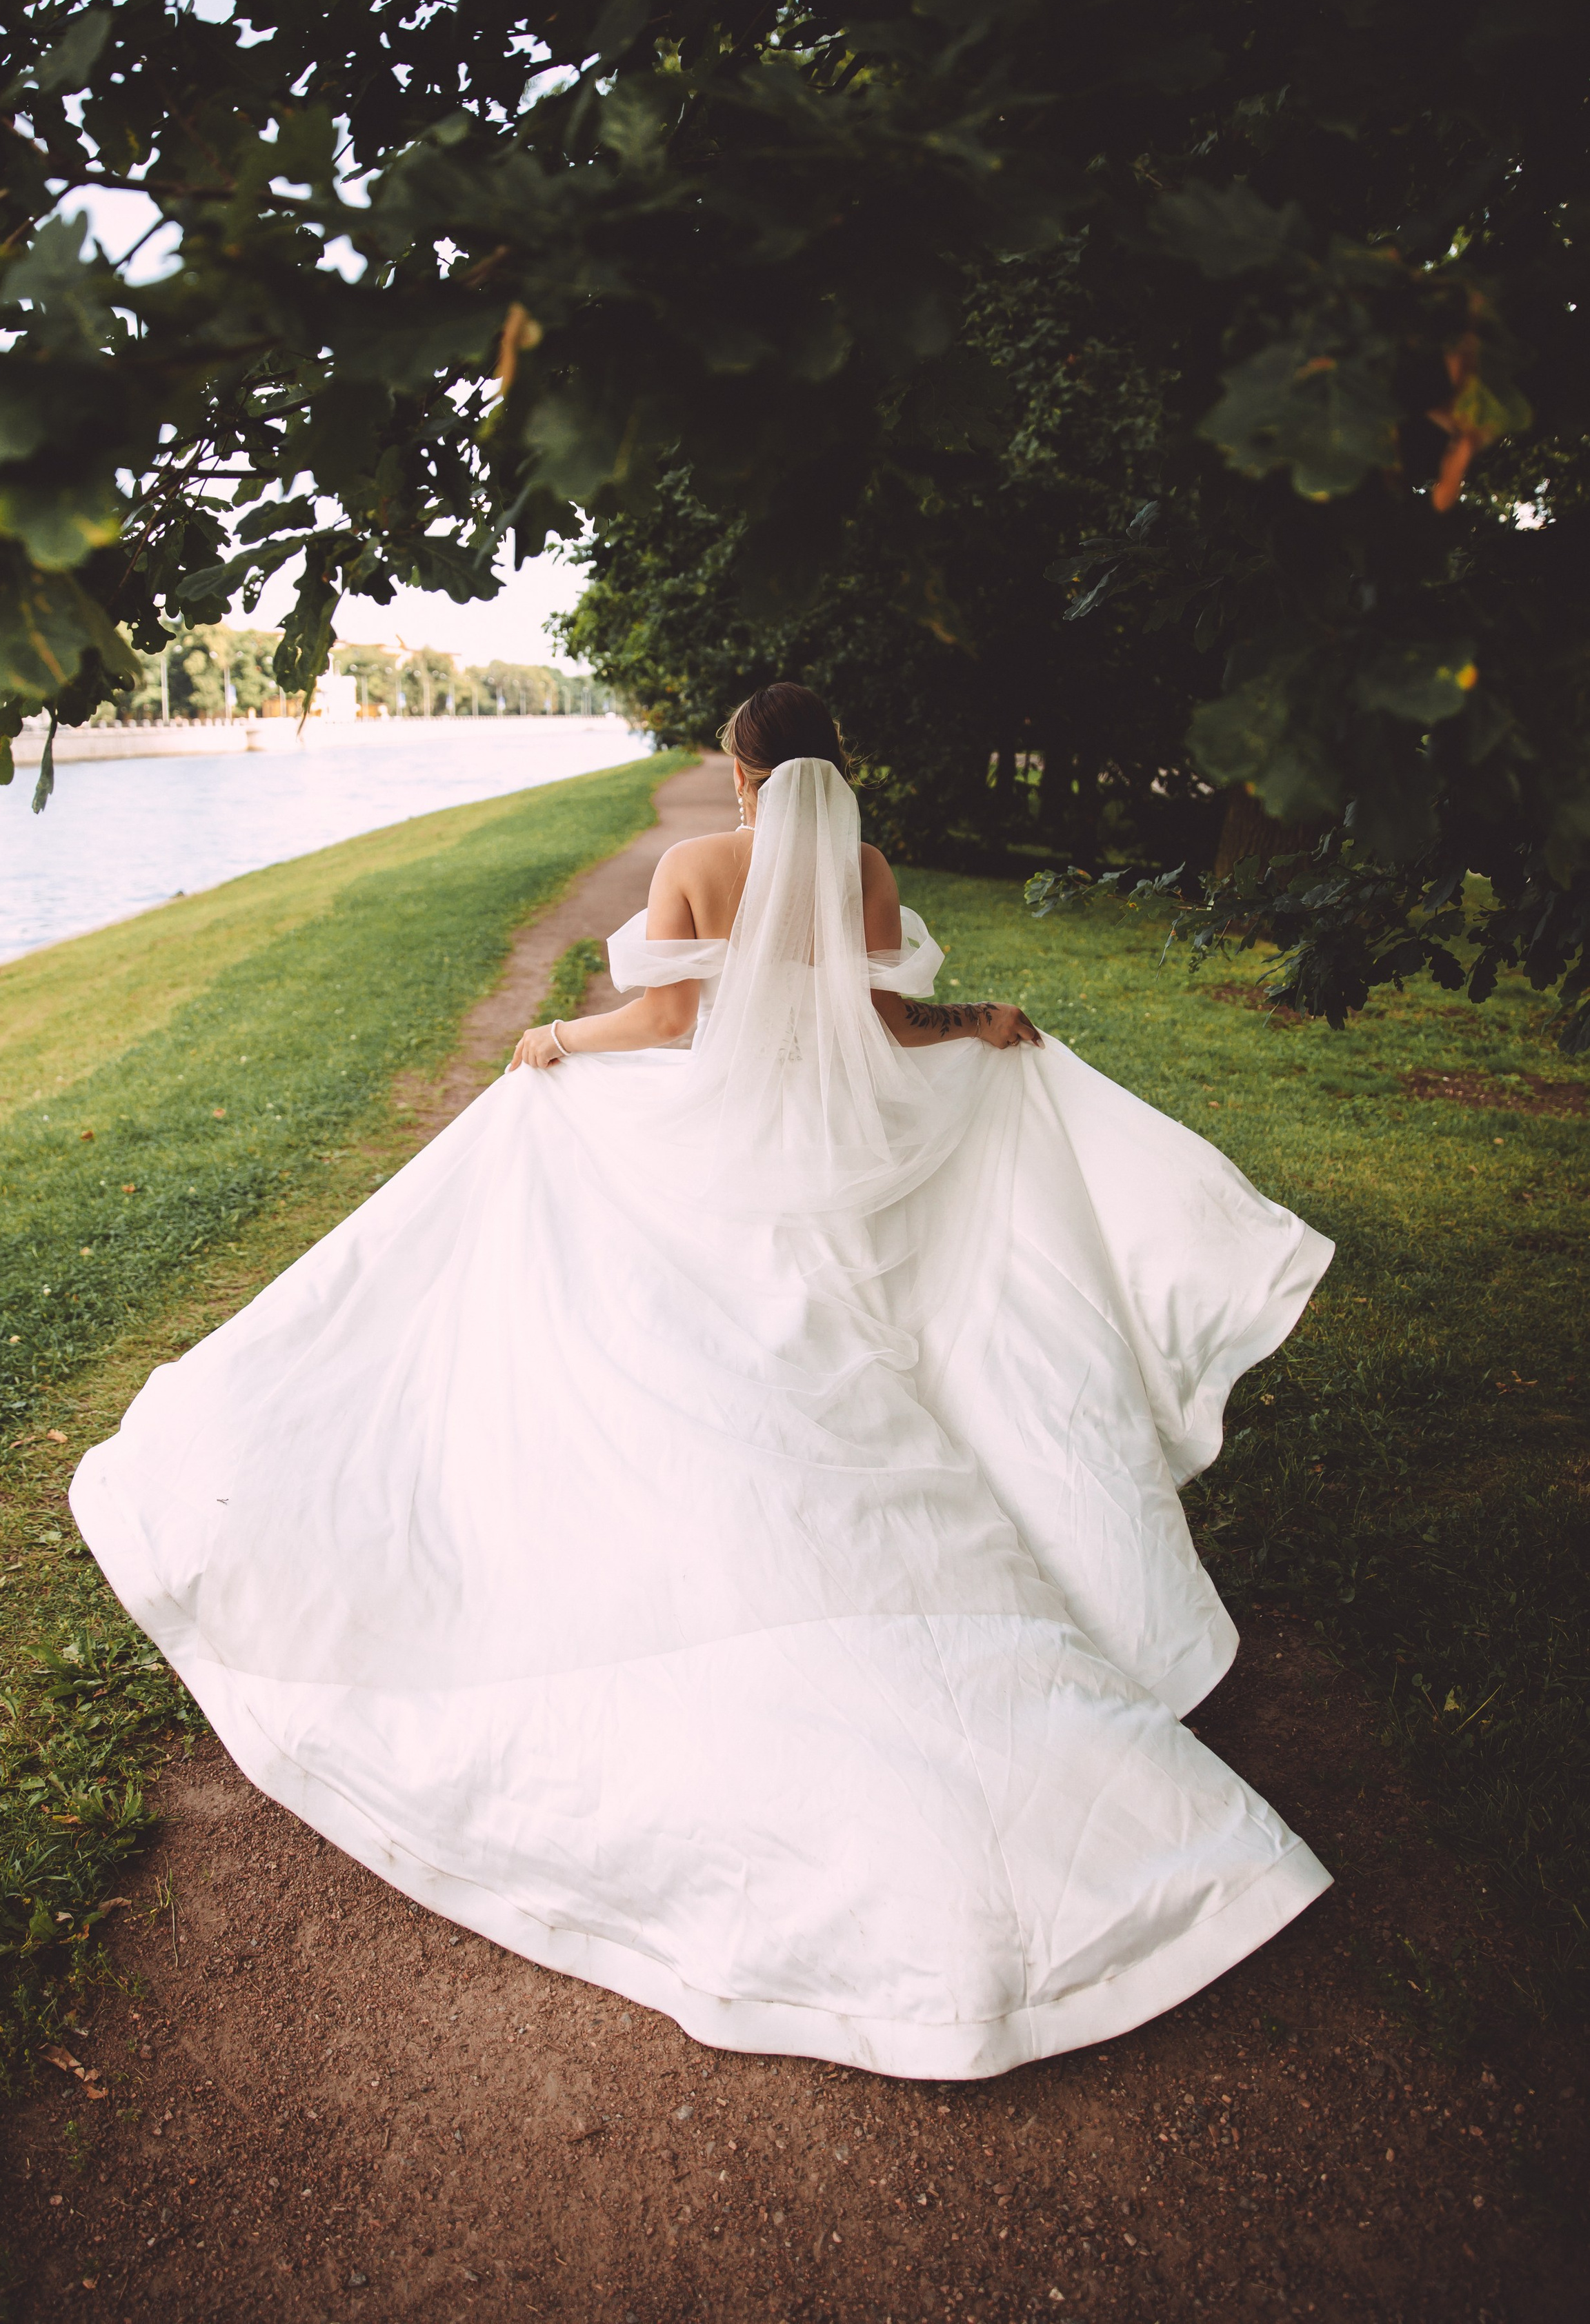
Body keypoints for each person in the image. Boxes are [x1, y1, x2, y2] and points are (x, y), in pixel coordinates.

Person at [72, 681, 1332, 2081]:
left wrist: (555, 1041)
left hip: (726, 1169)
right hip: (836, 1175)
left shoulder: (693, 865)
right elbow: (889, 1026)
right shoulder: (865, 870)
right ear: (831, 770)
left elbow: (668, 1021)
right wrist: (981, 1020)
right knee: (855, 1378)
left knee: (726, 1385)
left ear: (739, 774)